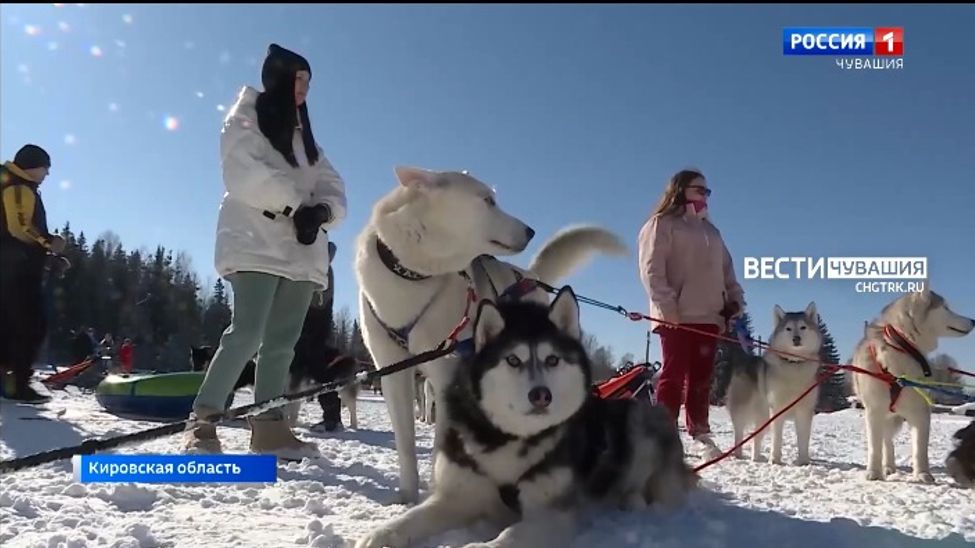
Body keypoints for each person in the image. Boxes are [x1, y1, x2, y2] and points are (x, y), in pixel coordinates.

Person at [183, 43, 347, 459]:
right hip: (255, 240)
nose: (304, 89)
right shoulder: (245, 118)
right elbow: (244, 172)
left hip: (299, 251)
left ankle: (270, 427)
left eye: (309, 82)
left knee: (281, 343)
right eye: (298, 79)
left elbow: (332, 183)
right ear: (277, 77)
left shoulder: (304, 140)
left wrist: (323, 210)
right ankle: (203, 422)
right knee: (247, 333)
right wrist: (297, 206)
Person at [637, 168, 745, 458]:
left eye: (707, 192)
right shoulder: (661, 225)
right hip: (676, 315)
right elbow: (652, 270)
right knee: (673, 375)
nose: (705, 196)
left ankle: (700, 431)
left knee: (701, 377)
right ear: (681, 190)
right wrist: (666, 307)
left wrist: (735, 302)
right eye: (700, 190)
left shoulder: (712, 232)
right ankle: (663, 435)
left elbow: (727, 272)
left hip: (709, 316)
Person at [0, 144, 68, 403]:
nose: (47, 174)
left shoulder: (18, 184)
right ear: (32, 165)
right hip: (15, 269)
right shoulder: (19, 186)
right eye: (45, 167)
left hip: (15, 267)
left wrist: (51, 257)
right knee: (31, 324)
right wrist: (50, 242)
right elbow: (19, 227)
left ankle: (8, 378)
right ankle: (18, 384)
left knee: (10, 324)